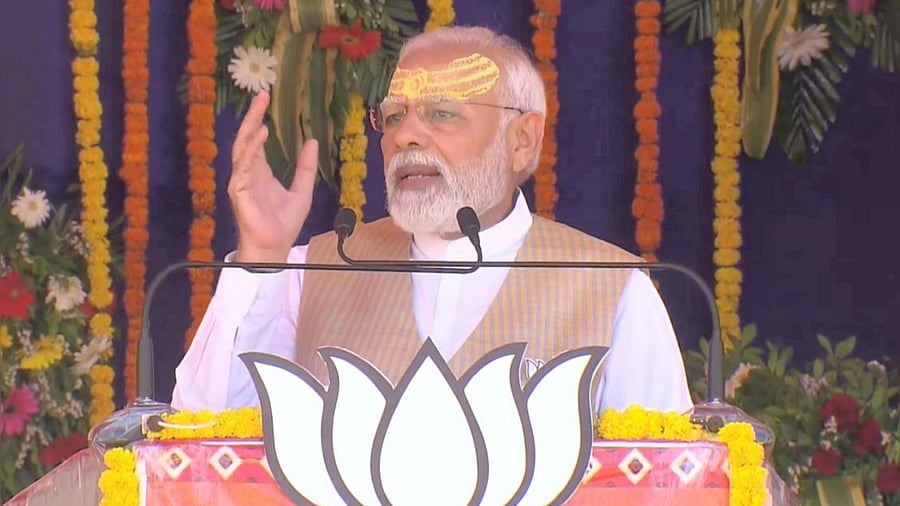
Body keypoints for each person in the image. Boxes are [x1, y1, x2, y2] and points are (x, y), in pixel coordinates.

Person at [172, 25, 692, 416]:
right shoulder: (315, 271)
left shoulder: (611, 287)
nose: (406, 136)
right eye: (394, 116)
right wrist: (261, 257)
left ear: (523, 140)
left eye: (442, 112)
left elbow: (662, 480)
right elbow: (205, 433)